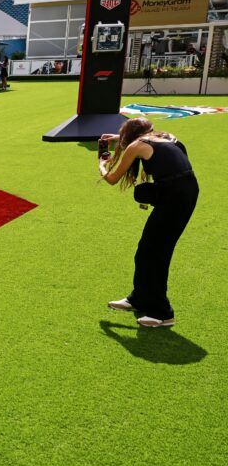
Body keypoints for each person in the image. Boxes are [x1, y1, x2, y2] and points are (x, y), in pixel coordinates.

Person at [99, 118, 199, 327]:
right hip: (183, 192)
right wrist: (118, 138)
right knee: (146, 251)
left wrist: (102, 164)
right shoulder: (165, 137)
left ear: (129, 135)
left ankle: (162, 313)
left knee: (156, 254)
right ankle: (139, 299)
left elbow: (112, 179)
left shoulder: (136, 146)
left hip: (174, 199)